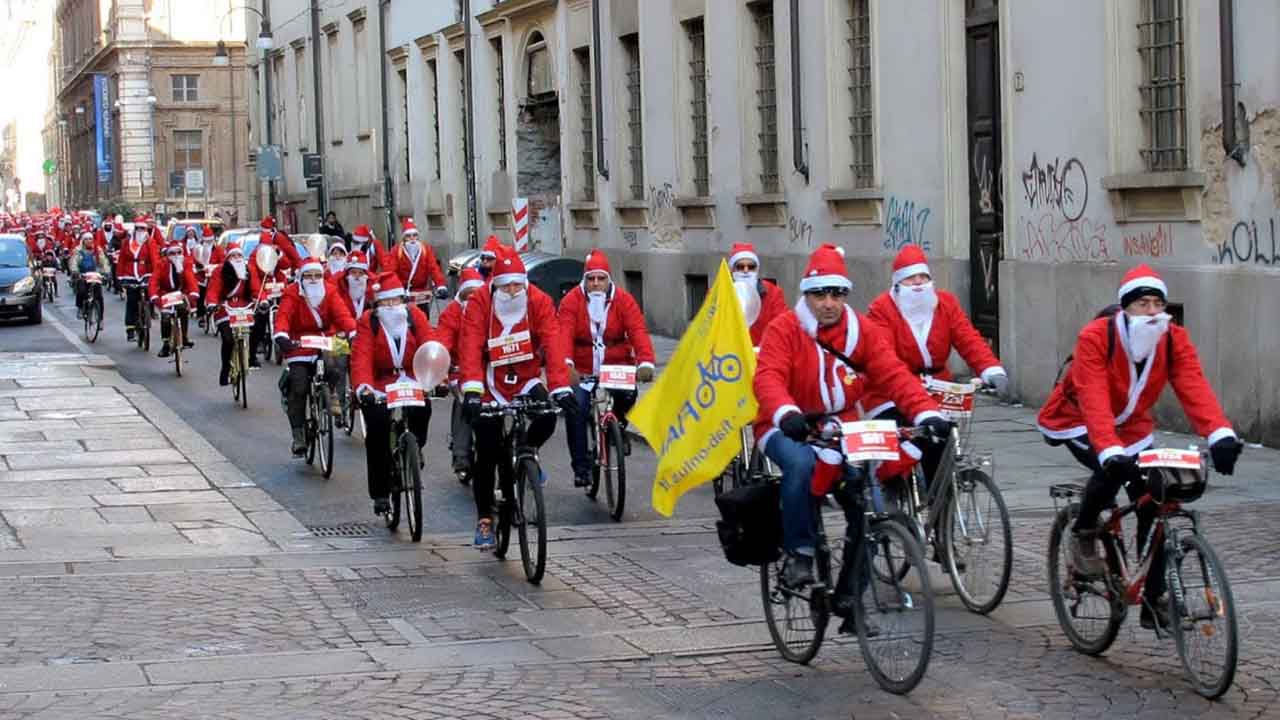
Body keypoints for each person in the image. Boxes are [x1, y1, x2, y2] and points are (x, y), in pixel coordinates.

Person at [1037, 264, 1242, 629]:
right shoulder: (1096, 337)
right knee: (1108, 472)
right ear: (1125, 309)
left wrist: (1220, 434)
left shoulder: (1173, 339)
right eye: (1142, 304)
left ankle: (1154, 598)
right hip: (1079, 420)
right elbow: (1094, 397)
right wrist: (1110, 451)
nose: (1152, 312)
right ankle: (1084, 532)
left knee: (1157, 497)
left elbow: (1194, 386)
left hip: (1131, 426)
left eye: (1157, 304)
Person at [753, 243, 950, 592]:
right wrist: (786, 414)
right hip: (786, 425)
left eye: (836, 294)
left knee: (861, 494)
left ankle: (851, 594)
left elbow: (894, 374)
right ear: (807, 295)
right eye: (819, 295)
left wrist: (926, 411)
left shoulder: (862, 331)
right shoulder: (784, 328)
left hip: (840, 424)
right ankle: (800, 551)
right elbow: (768, 377)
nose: (828, 303)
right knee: (800, 465)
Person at [458, 246, 577, 549]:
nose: (512, 291)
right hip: (488, 381)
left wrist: (561, 387)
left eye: (517, 285)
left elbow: (552, 342)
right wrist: (471, 390)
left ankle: (526, 451)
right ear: (495, 284)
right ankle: (485, 519)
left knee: (548, 416)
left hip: (525, 377)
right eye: (506, 285)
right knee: (486, 450)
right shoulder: (479, 304)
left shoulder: (538, 301)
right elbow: (470, 347)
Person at [863, 244, 1010, 487]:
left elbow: (968, 339)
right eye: (911, 278)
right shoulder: (882, 310)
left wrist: (991, 370)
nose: (919, 284)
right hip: (891, 391)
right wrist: (912, 390)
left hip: (938, 388)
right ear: (898, 284)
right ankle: (892, 485)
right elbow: (884, 359)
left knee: (942, 443)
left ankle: (940, 508)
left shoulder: (945, 304)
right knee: (914, 439)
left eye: (923, 277)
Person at [557, 249, 656, 487]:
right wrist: (567, 365)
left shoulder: (623, 300)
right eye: (591, 279)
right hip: (582, 367)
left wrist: (645, 361)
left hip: (616, 363)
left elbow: (637, 331)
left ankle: (618, 426)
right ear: (585, 279)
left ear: (608, 279)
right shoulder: (572, 300)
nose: (596, 284)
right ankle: (581, 467)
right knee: (576, 409)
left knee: (628, 394)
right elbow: (563, 333)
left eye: (601, 279)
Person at [350, 272, 433, 515]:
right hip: (380, 382)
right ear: (376, 306)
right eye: (385, 302)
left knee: (423, 410)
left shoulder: (415, 316)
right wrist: (364, 388)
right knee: (376, 427)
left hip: (411, 377)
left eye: (395, 301)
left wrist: (437, 377)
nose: (391, 306)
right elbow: (362, 357)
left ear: (402, 301)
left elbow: (430, 346)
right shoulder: (369, 322)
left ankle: (415, 448)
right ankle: (380, 493)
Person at [272, 259, 357, 455]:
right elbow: (283, 316)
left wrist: (352, 331)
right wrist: (282, 336)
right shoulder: (292, 293)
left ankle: (332, 393)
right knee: (299, 387)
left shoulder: (330, 291)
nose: (313, 280)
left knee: (335, 364)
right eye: (308, 276)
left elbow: (342, 314)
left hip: (325, 339)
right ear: (301, 278)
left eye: (317, 275)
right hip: (299, 344)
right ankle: (299, 434)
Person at [436, 266, 485, 482]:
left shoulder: (490, 310)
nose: (472, 299)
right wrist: (442, 368)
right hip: (458, 369)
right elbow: (444, 341)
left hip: (487, 368)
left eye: (477, 294)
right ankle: (461, 454)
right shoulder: (451, 313)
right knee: (464, 400)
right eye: (468, 295)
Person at [206, 242, 257, 384]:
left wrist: (262, 300)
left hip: (245, 306)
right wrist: (212, 303)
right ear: (228, 258)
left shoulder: (249, 270)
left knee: (257, 329)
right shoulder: (219, 271)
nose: (237, 258)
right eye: (233, 255)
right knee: (228, 339)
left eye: (239, 255)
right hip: (225, 308)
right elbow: (213, 290)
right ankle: (226, 368)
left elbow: (256, 289)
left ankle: (252, 357)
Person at [728, 242, 788, 346]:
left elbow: (782, 325)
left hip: (763, 353)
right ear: (732, 270)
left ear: (757, 269)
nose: (746, 271)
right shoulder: (719, 292)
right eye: (740, 267)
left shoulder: (773, 293)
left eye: (751, 267)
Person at [148, 242, 200, 358]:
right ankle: (166, 343)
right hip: (166, 293)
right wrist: (154, 296)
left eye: (179, 252)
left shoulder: (186, 263)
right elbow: (154, 281)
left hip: (182, 293)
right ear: (167, 254)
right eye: (172, 253)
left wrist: (193, 294)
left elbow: (191, 280)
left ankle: (185, 337)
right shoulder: (161, 264)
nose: (176, 255)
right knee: (166, 317)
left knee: (183, 311)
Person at [391, 218, 447, 317]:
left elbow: (433, 268)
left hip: (421, 292)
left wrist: (440, 285)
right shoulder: (397, 251)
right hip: (403, 292)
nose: (412, 239)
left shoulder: (425, 249)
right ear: (404, 238)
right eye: (408, 236)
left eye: (415, 235)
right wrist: (397, 289)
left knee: (424, 318)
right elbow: (391, 271)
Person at [116, 219, 154, 341]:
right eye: (138, 228)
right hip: (130, 273)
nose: (140, 231)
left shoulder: (150, 242)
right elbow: (122, 260)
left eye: (143, 229)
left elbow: (155, 259)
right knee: (131, 300)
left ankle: (149, 314)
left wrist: (156, 274)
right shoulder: (127, 243)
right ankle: (130, 328)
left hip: (145, 273)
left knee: (149, 295)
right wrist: (120, 276)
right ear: (135, 229)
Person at [70, 231, 109, 318]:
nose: (88, 241)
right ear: (83, 240)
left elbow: (104, 261)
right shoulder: (78, 250)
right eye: (86, 239)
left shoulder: (97, 250)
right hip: (83, 275)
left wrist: (106, 272)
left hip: (95, 275)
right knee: (81, 291)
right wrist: (75, 271)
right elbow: (73, 262)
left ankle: (101, 318)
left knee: (99, 296)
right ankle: (80, 308)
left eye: (90, 239)